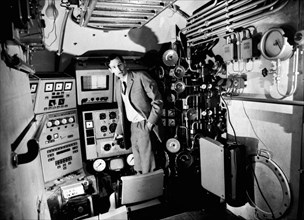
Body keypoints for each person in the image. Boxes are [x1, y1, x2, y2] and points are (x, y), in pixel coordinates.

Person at [107, 54, 164, 174]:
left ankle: (151, 190)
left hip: (144, 124)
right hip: (132, 126)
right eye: (114, 67)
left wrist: (149, 123)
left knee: (148, 164)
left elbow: (158, 101)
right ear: (110, 70)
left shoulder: (140, 77)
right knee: (138, 162)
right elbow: (122, 111)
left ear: (125, 64)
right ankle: (141, 186)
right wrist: (118, 131)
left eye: (120, 65)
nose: (118, 69)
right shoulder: (118, 85)